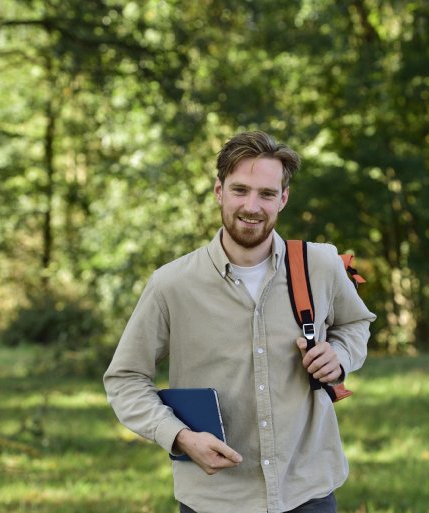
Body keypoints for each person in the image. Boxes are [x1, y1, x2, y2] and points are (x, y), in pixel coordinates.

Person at [104, 131, 376, 513]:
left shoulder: (320, 265)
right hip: (215, 500)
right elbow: (125, 379)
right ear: (218, 191)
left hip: (308, 491)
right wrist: (179, 437)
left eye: (266, 193)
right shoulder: (172, 284)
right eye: (239, 190)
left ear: (283, 199)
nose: (252, 205)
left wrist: (341, 357)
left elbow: (355, 325)